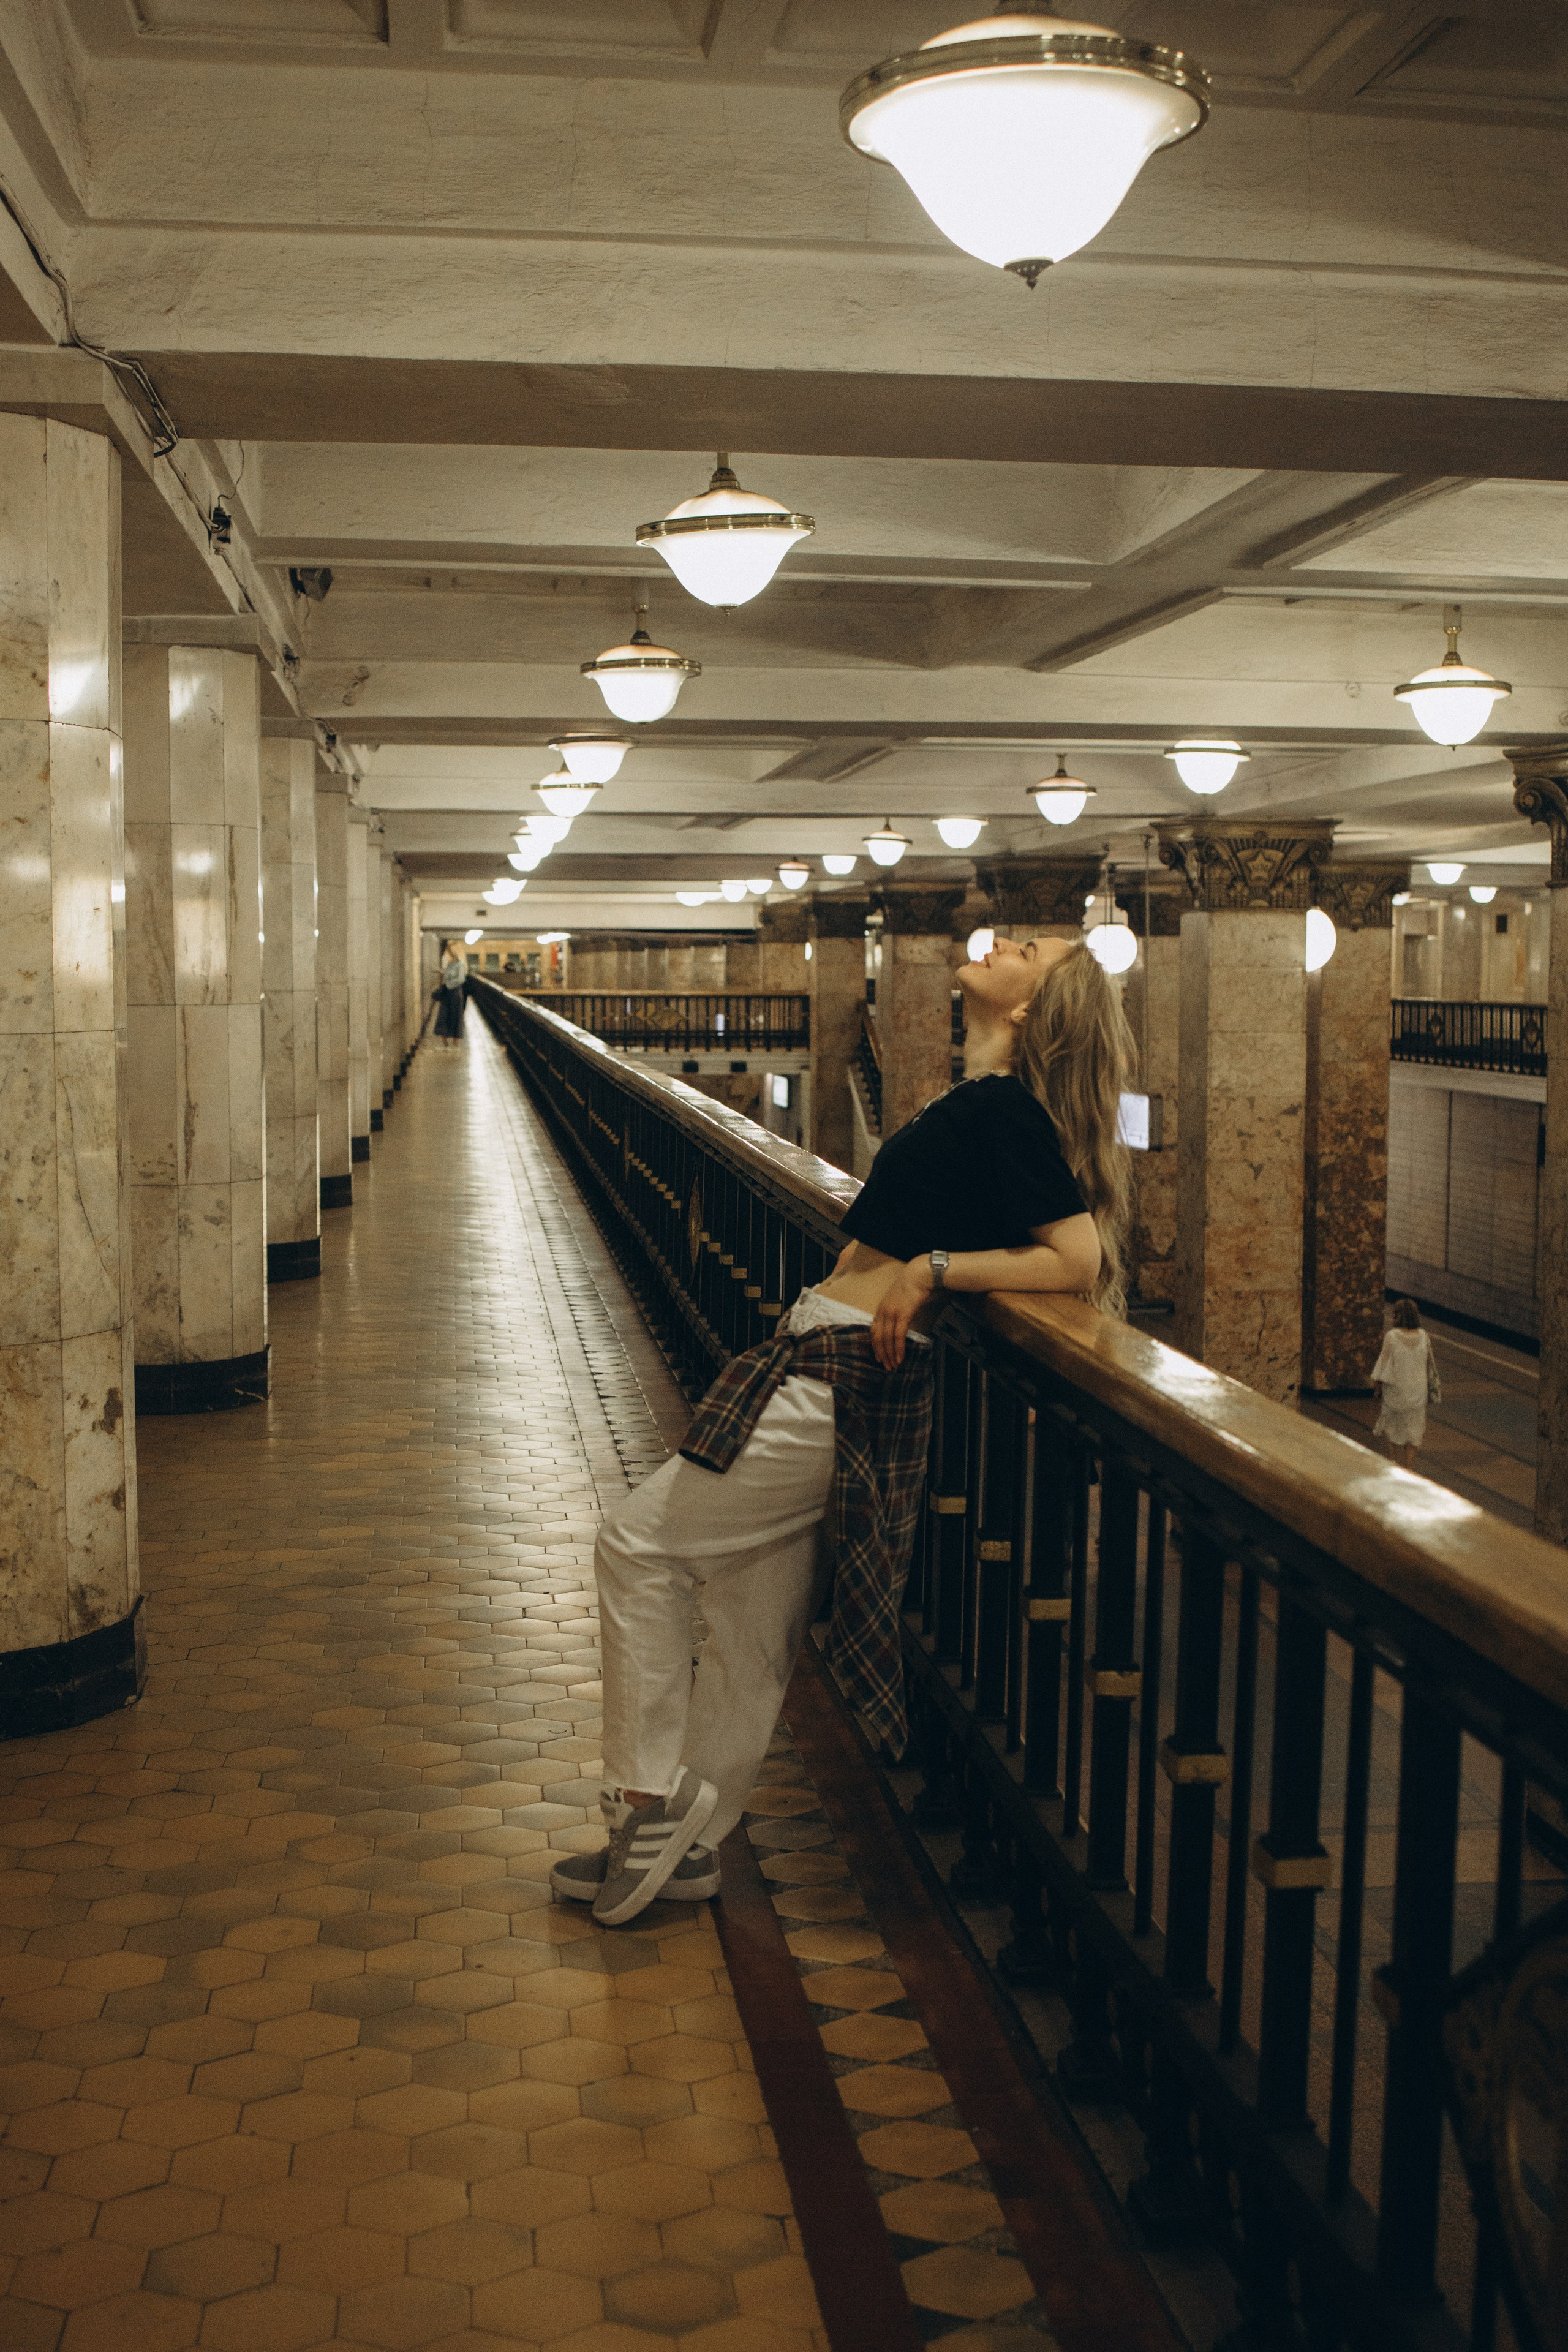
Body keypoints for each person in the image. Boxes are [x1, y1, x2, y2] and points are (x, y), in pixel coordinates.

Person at [554, 934, 1136, 1926]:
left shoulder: (1004, 1108)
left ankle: (644, 1803)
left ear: (1031, 1008)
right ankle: (692, 1845)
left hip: (842, 1376)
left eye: (1031, 949)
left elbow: (1077, 1257)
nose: (1006, 940)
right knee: (750, 1620)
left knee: (636, 1546)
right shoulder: (982, 1098)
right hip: (837, 1358)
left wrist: (934, 1269)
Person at [1371, 1297, 1440, 1469]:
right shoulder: (1423, 1336)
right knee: (1414, 1428)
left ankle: (1392, 1460)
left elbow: (1383, 1363)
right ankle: (1409, 1465)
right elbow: (1430, 1363)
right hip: (1418, 1390)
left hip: (1396, 1389)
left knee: (1391, 1425)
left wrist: (1378, 1385)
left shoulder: (1392, 1336)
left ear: (1397, 1316)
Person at [432, 943, 468, 1045]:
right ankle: (445, 1036)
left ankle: (455, 1038)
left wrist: (448, 984)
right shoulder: (449, 964)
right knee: (444, 1015)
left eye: (449, 952)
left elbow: (461, 979)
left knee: (455, 1015)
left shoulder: (460, 965)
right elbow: (447, 976)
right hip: (447, 993)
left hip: (456, 993)